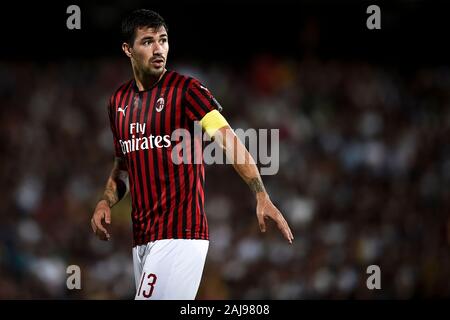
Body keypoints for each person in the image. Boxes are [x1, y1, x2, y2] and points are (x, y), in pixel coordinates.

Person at [90, 9, 294, 300]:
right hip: (142, 240)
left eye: (163, 40)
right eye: (148, 41)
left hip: (180, 234)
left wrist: (260, 192)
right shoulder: (117, 102)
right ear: (128, 49)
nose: (158, 48)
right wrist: (105, 200)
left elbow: (229, 140)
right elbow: (123, 165)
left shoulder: (187, 90)